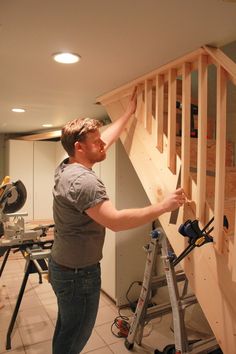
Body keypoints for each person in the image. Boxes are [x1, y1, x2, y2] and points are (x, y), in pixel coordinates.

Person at [48, 88, 186, 354]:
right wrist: (163, 206)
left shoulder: (67, 166)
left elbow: (104, 142)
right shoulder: (85, 182)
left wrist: (127, 114)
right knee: (75, 335)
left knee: (67, 328)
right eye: (95, 141)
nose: (102, 144)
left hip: (62, 265)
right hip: (78, 275)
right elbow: (116, 221)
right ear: (79, 147)